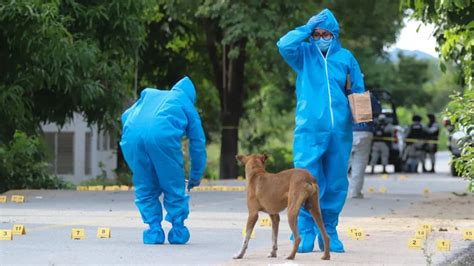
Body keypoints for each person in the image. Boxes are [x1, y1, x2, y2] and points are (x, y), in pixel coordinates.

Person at [277, 8, 365, 253]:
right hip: (309, 130)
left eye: (325, 34)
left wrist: (362, 119)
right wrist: (305, 29)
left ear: (334, 35)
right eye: (316, 34)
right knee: (304, 182)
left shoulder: (346, 58)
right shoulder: (303, 54)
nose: (320, 38)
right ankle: (304, 232)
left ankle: (329, 231)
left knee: (336, 181)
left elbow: (357, 89)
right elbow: (283, 44)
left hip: (340, 131)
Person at [120, 76, 207, 245]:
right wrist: (195, 176)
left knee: (145, 184)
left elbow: (126, 115)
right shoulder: (186, 103)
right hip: (162, 136)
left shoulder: (151, 94)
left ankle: (153, 230)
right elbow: (197, 144)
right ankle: (178, 229)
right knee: (173, 183)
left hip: (131, 136)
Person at [349, 92, 382, 199]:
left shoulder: (343, 94)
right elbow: (378, 112)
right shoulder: (368, 96)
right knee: (359, 163)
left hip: (347, 132)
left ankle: (335, 192)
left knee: (342, 164)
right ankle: (355, 192)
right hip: (365, 132)